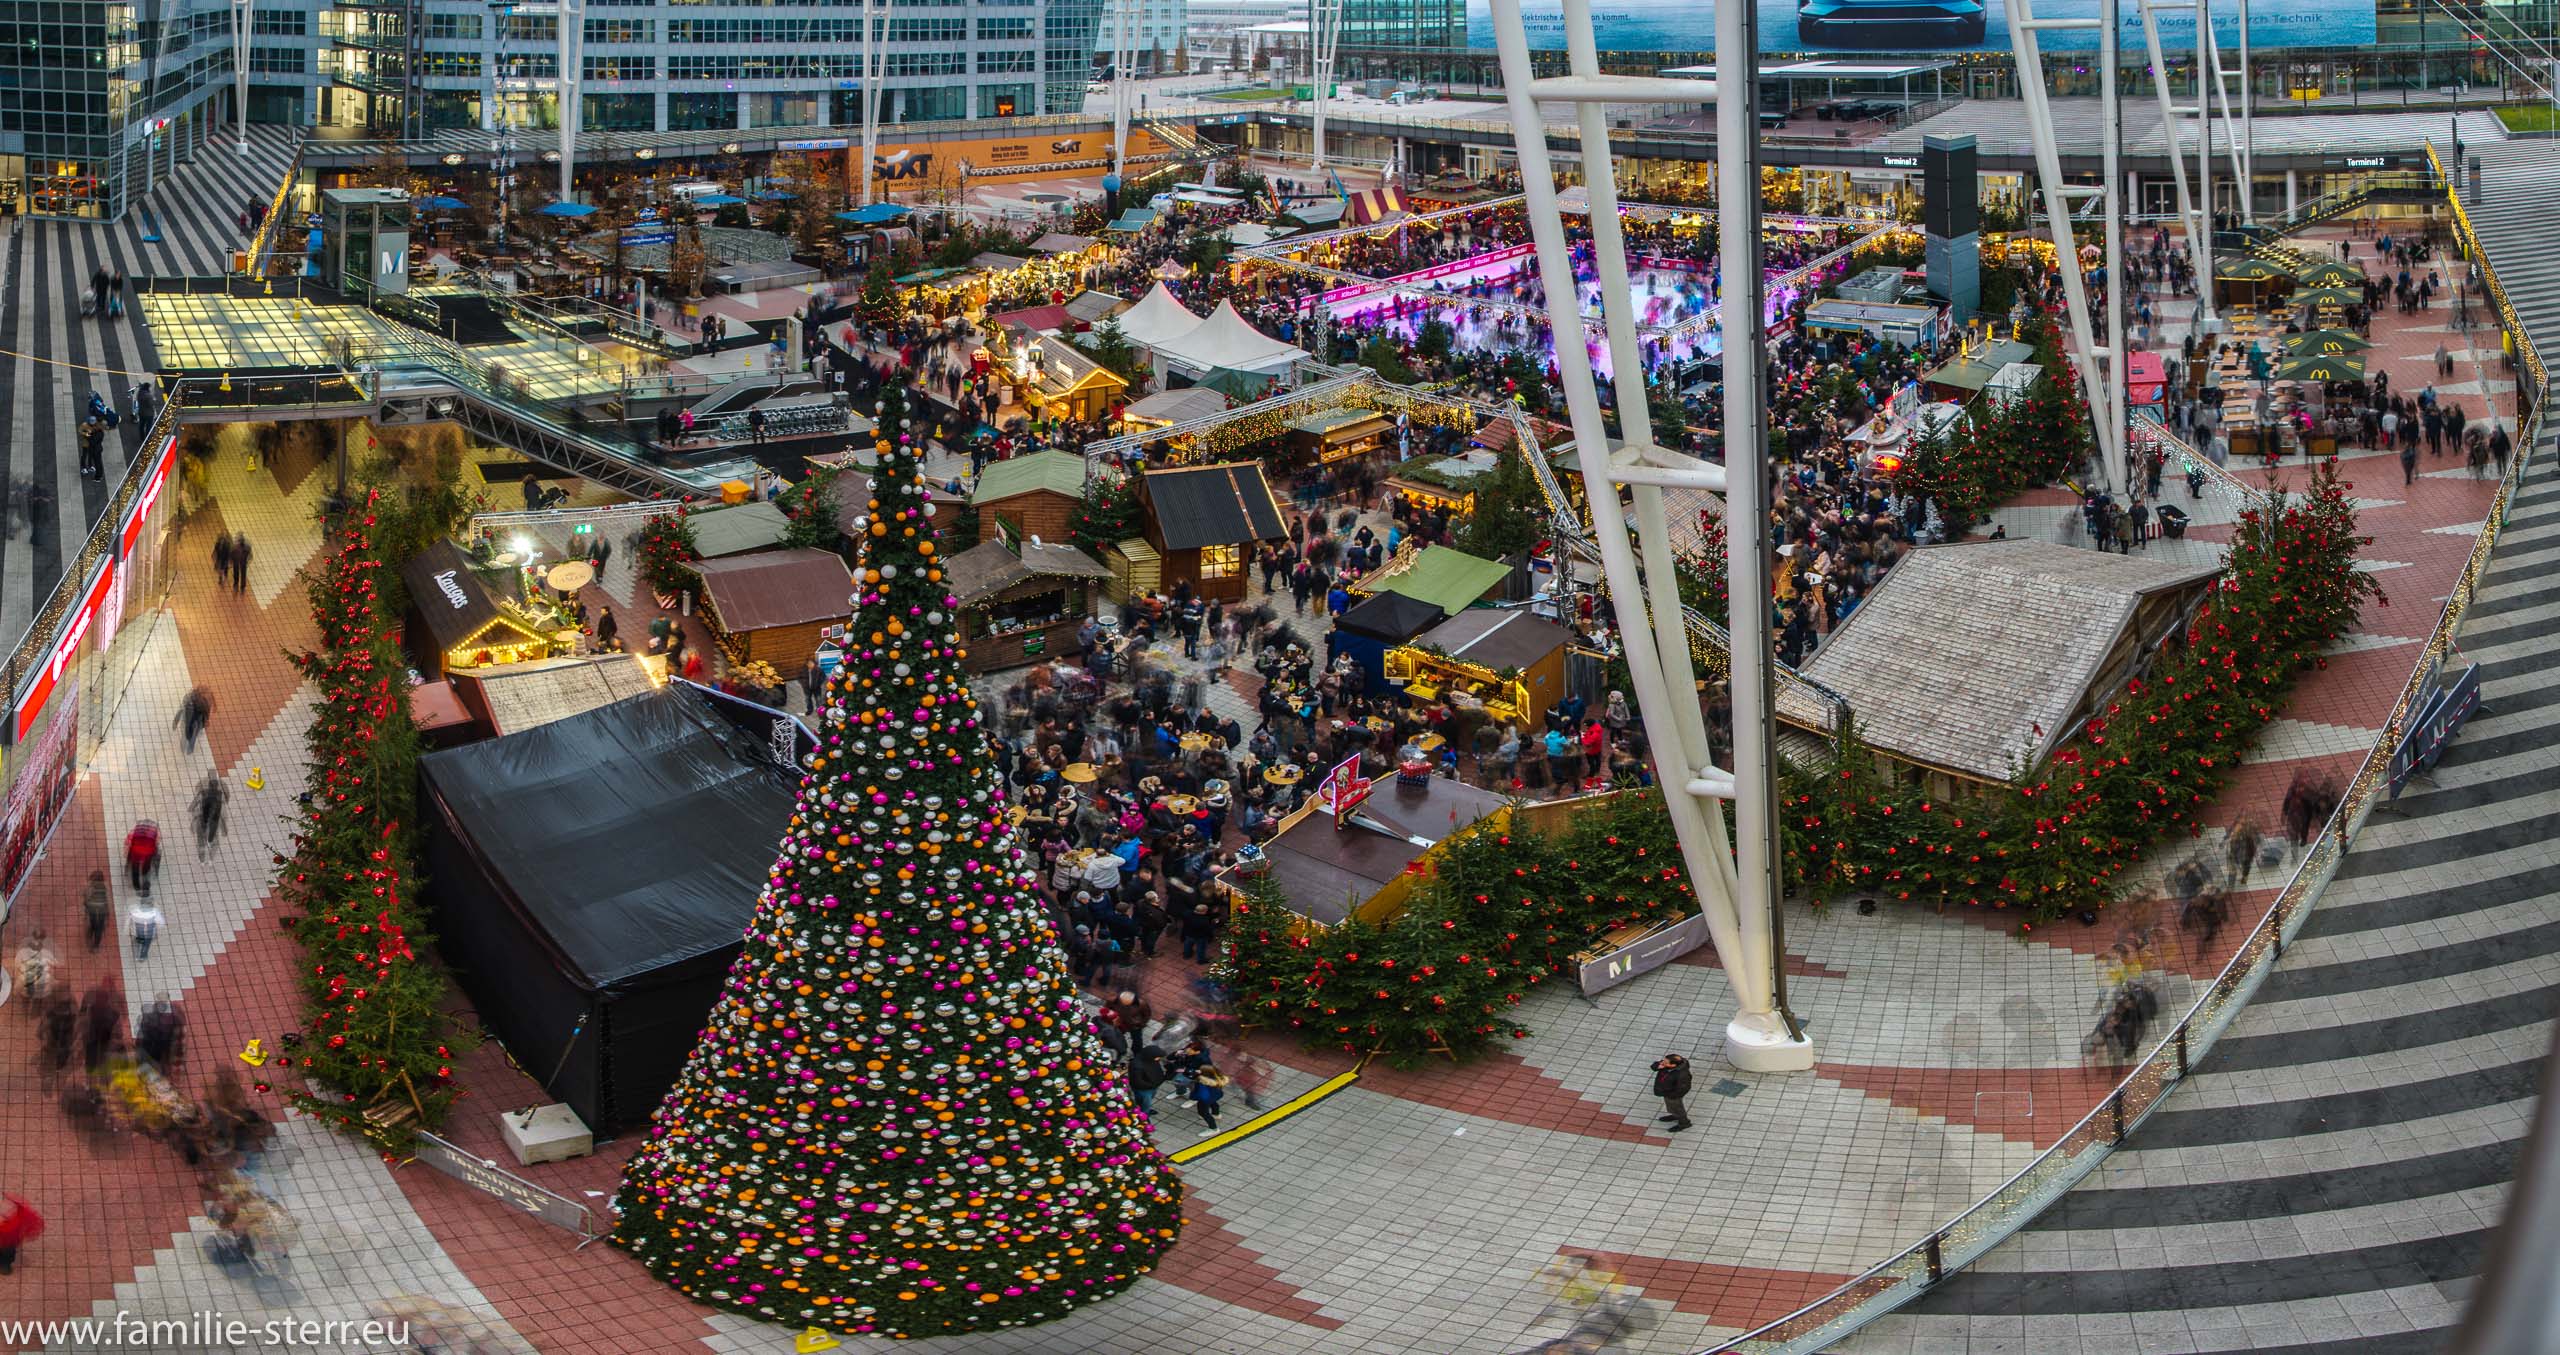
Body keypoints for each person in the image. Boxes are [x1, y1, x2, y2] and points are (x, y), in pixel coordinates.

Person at [0, 1191, 42, 1276]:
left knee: (5, 1254)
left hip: (6, 1243)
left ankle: (4, 1266)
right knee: (7, 1255)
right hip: (9, 1244)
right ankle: (5, 1267)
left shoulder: (8, 1228)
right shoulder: (14, 1226)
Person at [1650, 1053, 1693, 1132]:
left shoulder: (1682, 1074)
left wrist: (1672, 1095)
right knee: (1671, 1106)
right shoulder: (1667, 1064)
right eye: (1663, 1060)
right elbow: (1654, 1066)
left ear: (1673, 1065)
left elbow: (1683, 1088)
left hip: (1673, 1095)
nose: (1662, 1063)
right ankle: (1675, 1115)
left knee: (1678, 1108)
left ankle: (1684, 1123)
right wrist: (1657, 1066)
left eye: (1665, 1062)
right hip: (1666, 1092)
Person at [1126, 1048, 1168, 1116]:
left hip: (1153, 1086)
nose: (1159, 1059)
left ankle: (1146, 1110)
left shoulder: (1151, 1060)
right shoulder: (1137, 1065)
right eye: (1158, 1057)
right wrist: (1151, 1086)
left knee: (1148, 1100)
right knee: (1145, 1103)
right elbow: (1137, 1081)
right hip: (1144, 1089)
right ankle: (1144, 1115)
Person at [126, 820, 160, 893]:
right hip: (148, 853)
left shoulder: (136, 830)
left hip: (135, 853)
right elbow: (157, 843)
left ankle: (136, 886)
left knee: (135, 868)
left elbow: (128, 840)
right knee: (146, 866)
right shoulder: (154, 831)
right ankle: (144, 874)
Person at [175, 686, 211, 753]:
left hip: (190, 723)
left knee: (188, 735)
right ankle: (189, 748)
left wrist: (176, 720)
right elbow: (206, 716)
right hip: (192, 723)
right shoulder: (202, 704)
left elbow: (181, 709)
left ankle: (187, 747)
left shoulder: (189, 699)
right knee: (191, 736)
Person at [80, 870, 110, 950]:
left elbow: (86, 897)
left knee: (92, 923)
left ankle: (90, 933)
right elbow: (108, 900)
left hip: (92, 910)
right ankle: (96, 945)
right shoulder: (105, 886)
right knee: (99, 928)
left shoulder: (90, 885)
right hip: (102, 911)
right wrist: (108, 914)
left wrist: (85, 909)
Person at [129, 896, 165, 960]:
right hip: (149, 933)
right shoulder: (154, 912)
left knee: (139, 938)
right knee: (146, 944)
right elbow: (160, 922)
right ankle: (143, 956)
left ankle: (139, 943)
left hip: (139, 930)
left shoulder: (135, 910)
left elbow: (131, 919)